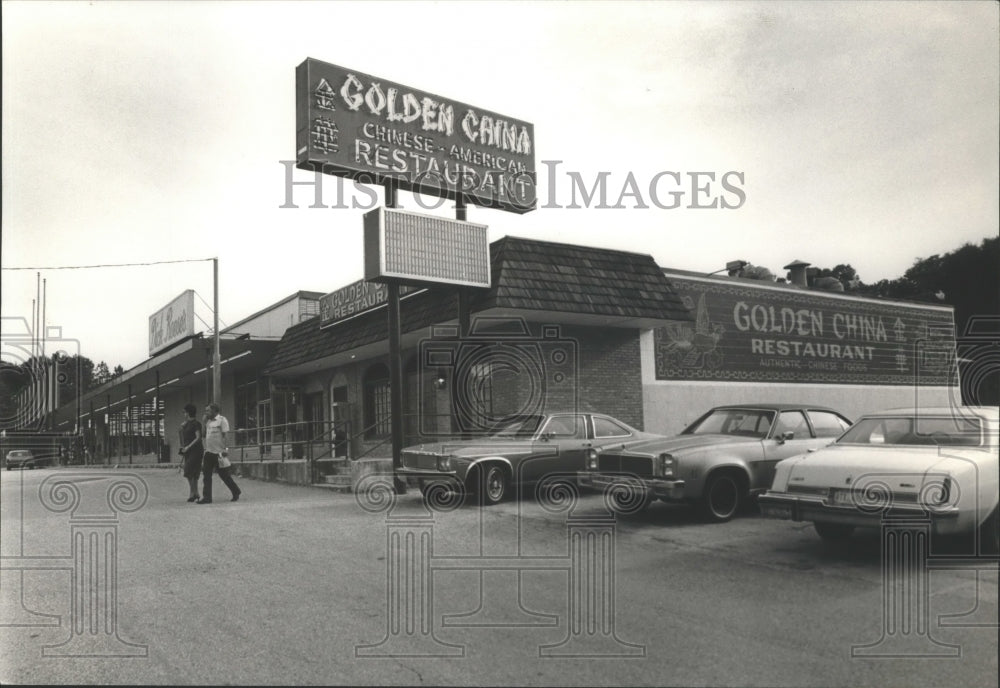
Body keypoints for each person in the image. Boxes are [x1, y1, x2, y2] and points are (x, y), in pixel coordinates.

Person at [198, 403, 241, 504]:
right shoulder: (208, 421)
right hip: (209, 452)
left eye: (208, 411)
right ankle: (207, 497)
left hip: (219, 453)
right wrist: (203, 423)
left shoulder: (222, 420)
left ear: (214, 411)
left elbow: (226, 435)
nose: (206, 413)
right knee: (206, 475)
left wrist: (226, 449)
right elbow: (203, 435)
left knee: (224, 475)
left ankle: (236, 491)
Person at [179, 404, 204, 502]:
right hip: (187, 451)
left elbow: (198, 437)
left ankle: (193, 492)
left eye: (184, 412)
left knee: (189, 469)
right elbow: (182, 438)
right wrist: (181, 428)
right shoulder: (185, 425)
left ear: (188, 412)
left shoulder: (196, 423)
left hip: (196, 450)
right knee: (191, 472)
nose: (184, 414)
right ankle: (194, 493)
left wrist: (188, 447)